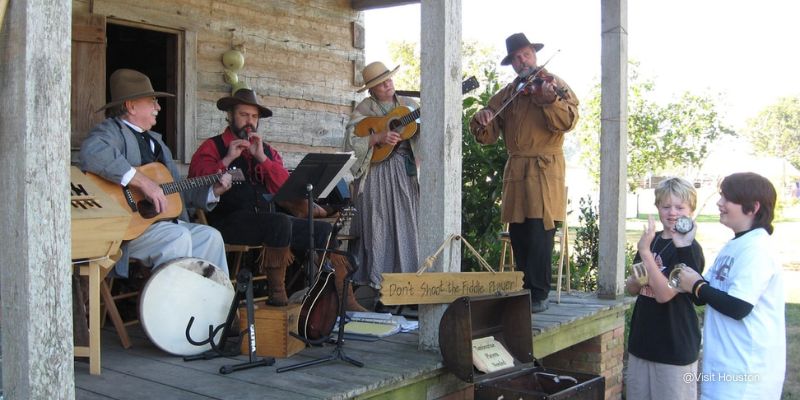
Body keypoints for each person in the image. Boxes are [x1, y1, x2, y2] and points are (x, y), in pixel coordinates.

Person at [189, 88, 365, 310]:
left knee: (321, 230)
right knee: (279, 222)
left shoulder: (267, 151)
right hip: (226, 221)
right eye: (244, 115)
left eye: (254, 117)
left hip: (266, 223)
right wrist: (227, 159)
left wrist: (261, 158)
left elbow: (287, 189)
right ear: (231, 116)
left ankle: (344, 299)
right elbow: (196, 181)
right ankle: (278, 299)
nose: (249, 122)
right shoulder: (212, 146)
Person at [80, 69, 230, 278]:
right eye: (152, 102)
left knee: (210, 237)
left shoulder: (157, 142)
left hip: (165, 226)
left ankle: (215, 306)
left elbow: (176, 190)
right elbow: (92, 152)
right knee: (178, 237)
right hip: (130, 232)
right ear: (131, 106)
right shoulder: (111, 131)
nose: (158, 107)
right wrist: (142, 182)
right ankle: (174, 308)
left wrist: (212, 191)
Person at [469, 33, 579, 312]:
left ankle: (538, 294)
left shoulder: (554, 84)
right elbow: (488, 133)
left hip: (544, 168)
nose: (522, 61)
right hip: (517, 169)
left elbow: (568, 120)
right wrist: (481, 118)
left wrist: (548, 101)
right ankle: (522, 290)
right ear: (512, 64)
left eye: (526, 55)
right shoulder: (508, 93)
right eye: (517, 58)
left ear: (534, 54)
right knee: (518, 231)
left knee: (539, 230)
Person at [676, 172, 785, 399]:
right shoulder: (735, 245)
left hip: (747, 376)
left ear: (752, 207)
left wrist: (696, 285)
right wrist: (685, 247)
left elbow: (738, 307)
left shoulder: (757, 249)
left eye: (727, 198)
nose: (719, 203)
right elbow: (701, 295)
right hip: (724, 370)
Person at [624, 177, 705, 400]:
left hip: (675, 349)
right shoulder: (653, 240)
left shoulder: (689, 250)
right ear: (657, 207)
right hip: (642, 344)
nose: (672, 213)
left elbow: (664, 294)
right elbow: (633, 286)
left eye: (680, 207)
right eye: (666, 206)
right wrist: (637, 279)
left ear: (691, 210)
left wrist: (646, 253)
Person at [343, 61, 420, 294]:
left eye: (388, 80)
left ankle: (408, 284)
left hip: (403, 175)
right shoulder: (364, 110)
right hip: (375, 175)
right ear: (371, 90)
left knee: (407, 223)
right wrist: (377, 139)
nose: (387, 85)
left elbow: (424, 136)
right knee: (378, 225)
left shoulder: (409, 105)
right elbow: (349, 143)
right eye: (380, 84)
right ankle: (377, 286)